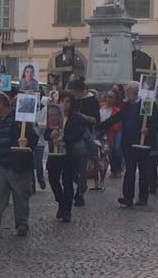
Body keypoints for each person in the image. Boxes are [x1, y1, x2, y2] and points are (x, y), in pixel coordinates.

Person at [0, 93, 36, 237]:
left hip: (18, 166)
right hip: (1, 165)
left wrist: (26, 141)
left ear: (0, 104)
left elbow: (33, 138)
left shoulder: (20, 119)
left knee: (20, 197)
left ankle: (22, 225)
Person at [99, 81, 158, 208]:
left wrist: (148, 130)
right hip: (128, 144)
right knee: (129, 171)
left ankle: (143, 197)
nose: (126, 94)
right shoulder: (126, 105)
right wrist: (100, 125)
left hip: (143, 143)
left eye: (129, 91)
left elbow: (157, 123)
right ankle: (128, 197)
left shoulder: (147, 103)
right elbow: (117, 117)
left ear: (135, 92)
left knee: (143, 171)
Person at [45, 92, 85, 223]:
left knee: (67, 182)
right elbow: (46, 133)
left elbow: (78, 134)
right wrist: (50, 136)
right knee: (52, 178)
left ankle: (67, 210)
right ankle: (61, 201)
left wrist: (64, 138)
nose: (65, 104)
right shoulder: (53, 115)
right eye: (63, 101)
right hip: (54, 154)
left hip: (69, 154)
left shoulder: (76, 118)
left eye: (68, 101)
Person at [68, 78, 98, 207]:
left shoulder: (91, 101)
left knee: (82, 166)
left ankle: (80, 192)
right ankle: (80, 185)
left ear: (78, 90)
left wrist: (81, 116)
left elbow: (95, 120)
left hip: (84, 137)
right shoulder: (72, 100)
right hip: (71, 136)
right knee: (71, 167)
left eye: (72, 90)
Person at [101, 90, 123, 179]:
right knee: (108, 151)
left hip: (115, 132)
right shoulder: (101, 107)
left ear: (115, 99)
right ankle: (113, 169)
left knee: (116, 149)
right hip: (103, 132)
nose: (108, 99)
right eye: (108, 96)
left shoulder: (117, 110)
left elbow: (118, 125)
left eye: (111, 97)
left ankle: (117, 169)